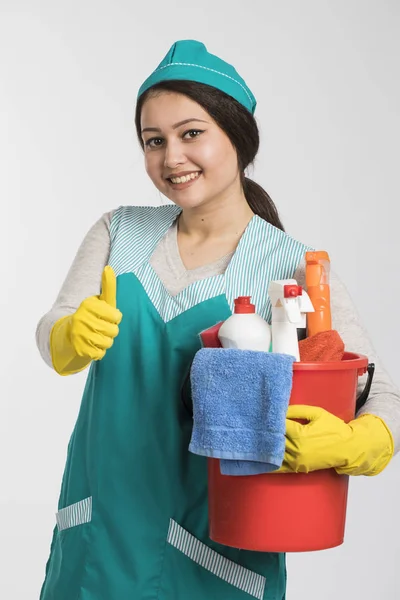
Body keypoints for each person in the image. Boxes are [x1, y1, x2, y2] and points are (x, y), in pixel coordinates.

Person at [36, 40, 399, 600]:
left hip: (218, 559)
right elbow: (55, 328)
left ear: (237, 135)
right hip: (99, 548)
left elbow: (380, 392)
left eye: (191, 133)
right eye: (153, 141)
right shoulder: (118, 234)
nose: (171, 157)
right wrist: (67, 334)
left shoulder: (293, 270)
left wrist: (359, 439)